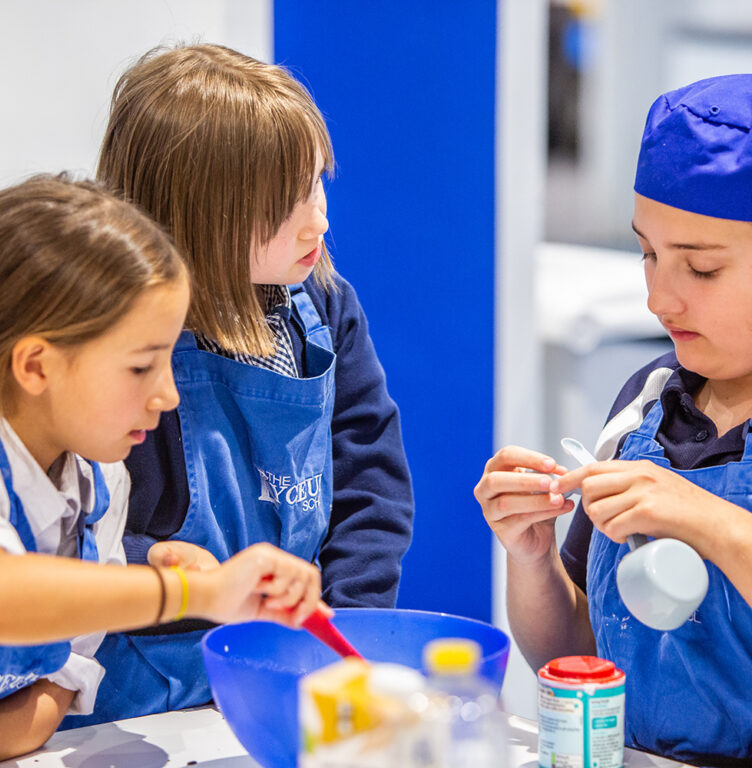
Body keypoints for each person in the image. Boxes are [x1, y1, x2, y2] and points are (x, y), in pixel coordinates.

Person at [65, 43, 413, 725]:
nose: (319, 220)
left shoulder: (324, 306)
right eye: (285, 203)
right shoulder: (108, 341)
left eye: (316, 185)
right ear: (197, 215)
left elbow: (370, 480)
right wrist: (154, 566)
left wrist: (345, 628)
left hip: (291, 671)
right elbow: (66, 532)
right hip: (133, 694)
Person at [0, 174, 325, 763]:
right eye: (142, 367)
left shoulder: (99, 481)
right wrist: (193, 591)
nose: (168, 394)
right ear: (36, 366)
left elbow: (52, 688)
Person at [475, 74, 752, 767]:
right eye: (649, 253)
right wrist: (533, 561)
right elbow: (581, 657)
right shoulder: (646, 402)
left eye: (702, 269)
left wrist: (707, 520)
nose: (659, 297)